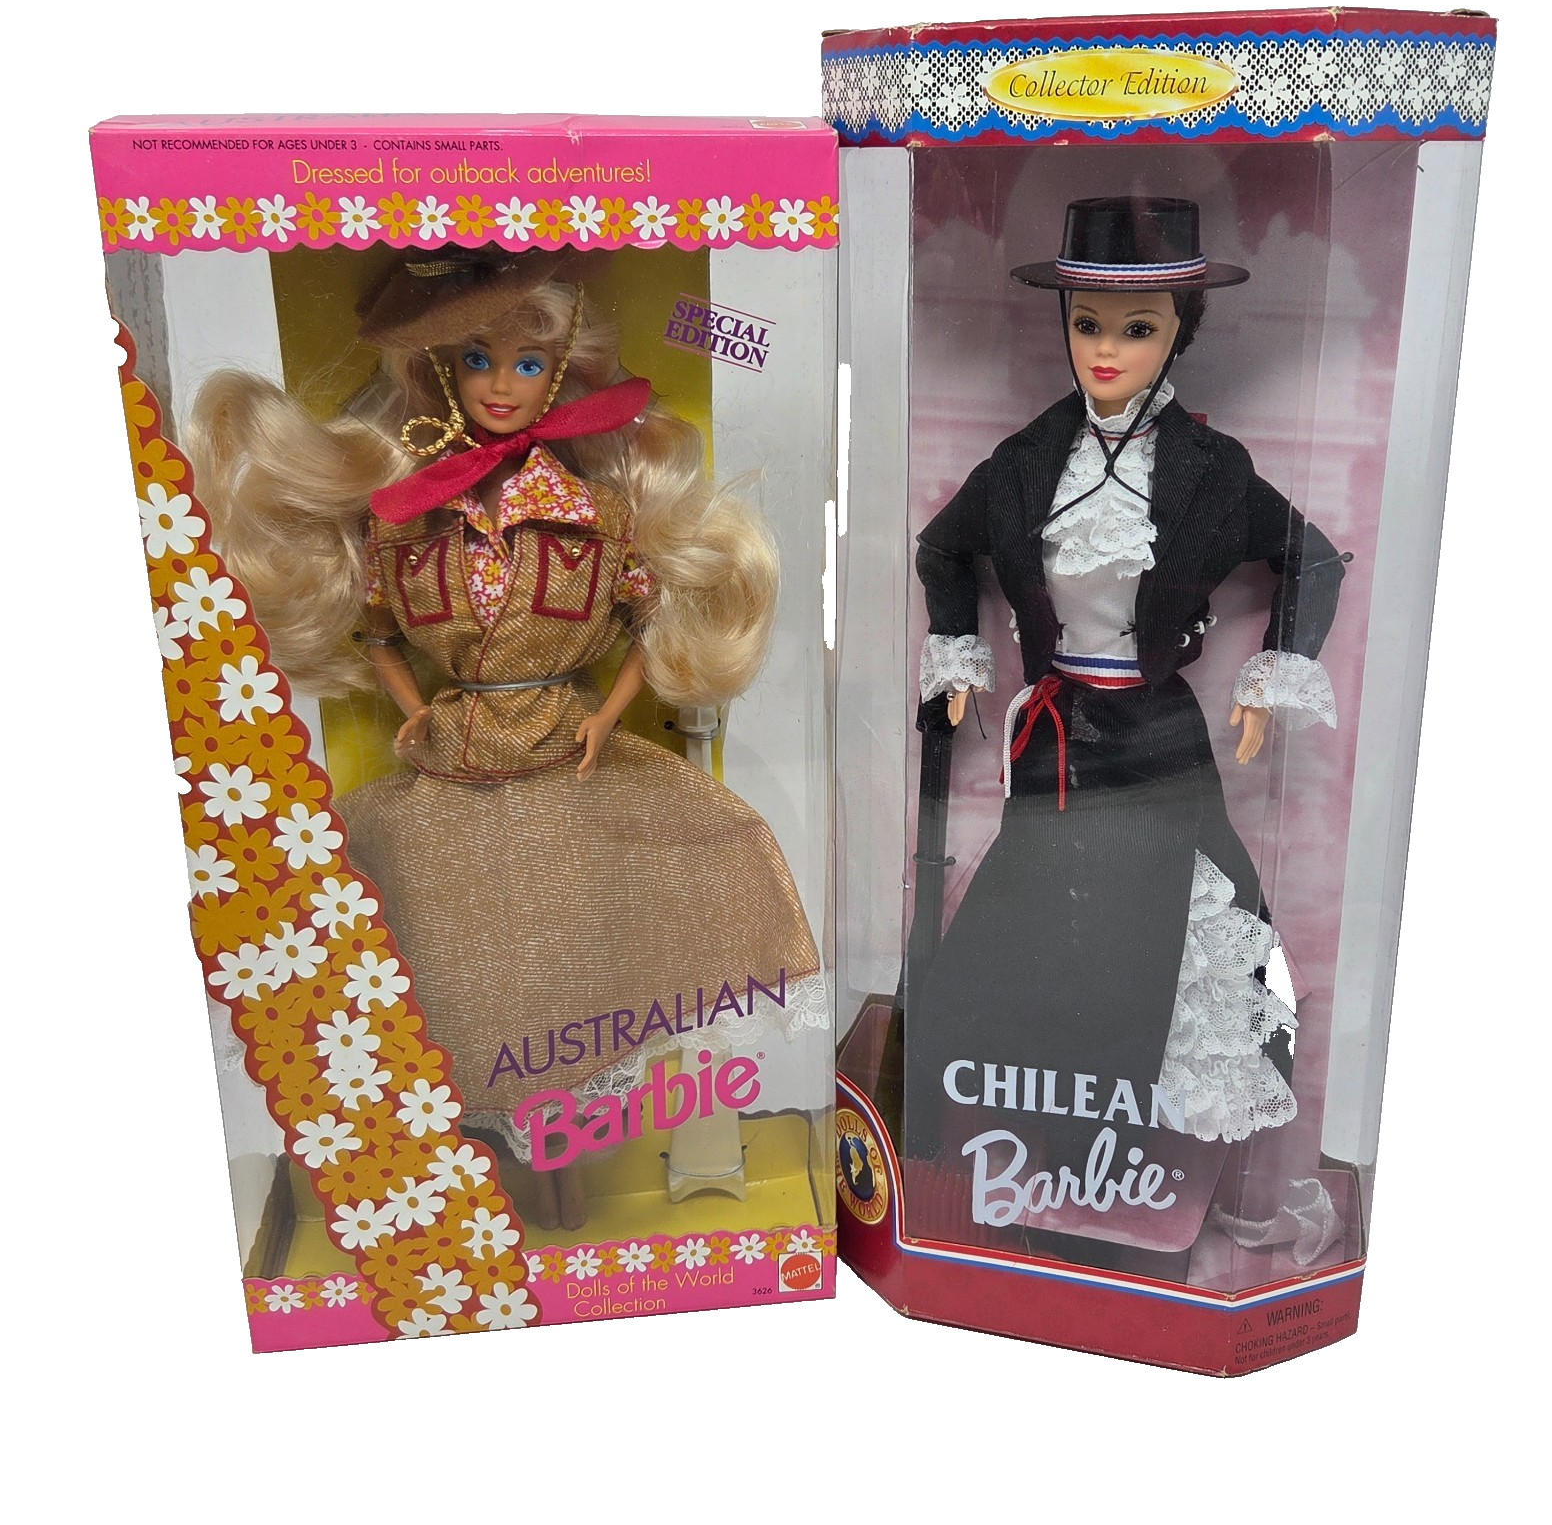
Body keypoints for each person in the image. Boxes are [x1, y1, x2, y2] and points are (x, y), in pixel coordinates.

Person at [189, 246, 825, 1232]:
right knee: (450, 965)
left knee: (576, 967)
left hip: (564, 758)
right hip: (454, 764)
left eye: (527, 363)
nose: (500, 385)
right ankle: (478, 1173)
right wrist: (411, 707)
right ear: (442, 370)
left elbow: (645, 627)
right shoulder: (411, 522)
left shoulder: (594, 517)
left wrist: (606, 717)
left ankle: (568, 1175)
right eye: (478, 359)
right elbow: (379, 633)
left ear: (562, 370)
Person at [906, 197, 1344, 1255]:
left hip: (1155, 734)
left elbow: (1314, 558)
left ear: (1179, 330)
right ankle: (1044, 1147)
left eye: (1137, 327)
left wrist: (1272, 674)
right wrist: (958, 654)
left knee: (1172, 926)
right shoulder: (1028, 461)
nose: (1105, 349)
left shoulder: (1208, 469)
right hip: (1054, 737)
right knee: (1035, 929)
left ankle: (1133, 1156)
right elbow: (941, 546)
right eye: (1087, 323)